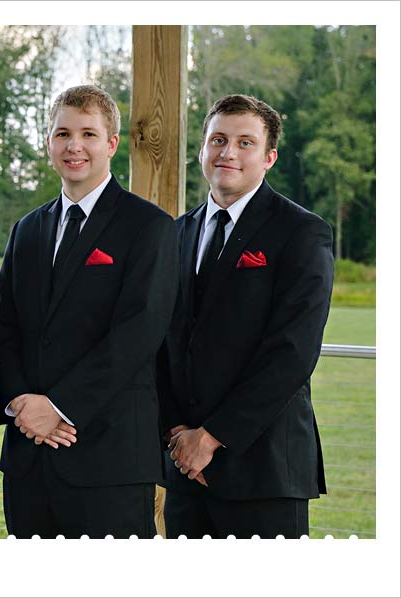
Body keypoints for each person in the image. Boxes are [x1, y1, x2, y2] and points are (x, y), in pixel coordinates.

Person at [0, 85, 177, 538]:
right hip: (29, 457)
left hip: (108, 457)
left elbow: (138, 332)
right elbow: (5, 326)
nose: (74, 146)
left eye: (88, 134)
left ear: (111, 144)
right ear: (49, 143)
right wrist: (21, 405)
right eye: (62, 134)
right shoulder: (27, 229)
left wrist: (60, 407)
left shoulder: (149, 227)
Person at [157, 94, 334, 538]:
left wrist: (211, 437)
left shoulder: (301, 232)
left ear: (269, 157)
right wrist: (181, 434)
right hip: (186, 470)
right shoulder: (178, 232)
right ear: (202, 149)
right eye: (217, 139)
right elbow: (163, 340)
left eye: (245, 142)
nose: (228, 152)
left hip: (264, 470)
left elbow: (292, 352)